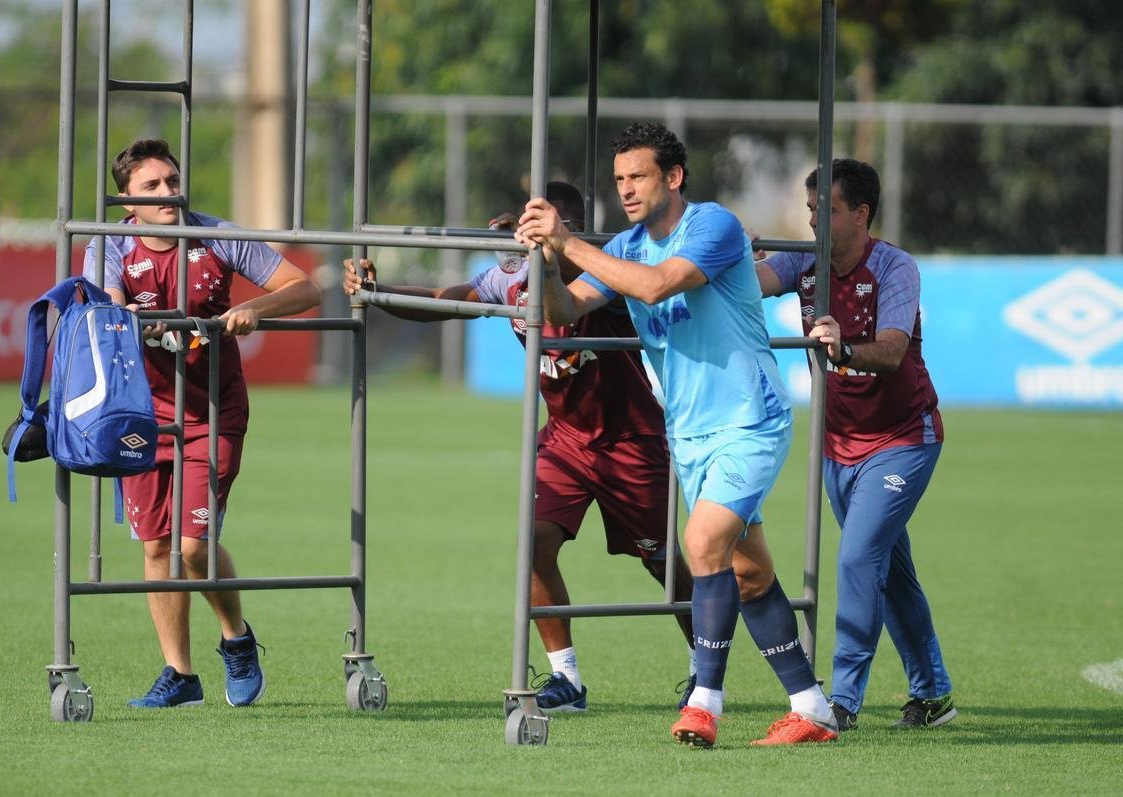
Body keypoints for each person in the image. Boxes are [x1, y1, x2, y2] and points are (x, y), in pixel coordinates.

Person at [515, 123, 838, 747]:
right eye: (619, 180)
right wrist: (550, 264)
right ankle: (811, 705)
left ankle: (704, 703)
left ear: (674, 177)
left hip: (751, 420)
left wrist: (568, 240)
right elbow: (562, 311)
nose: (627, 189)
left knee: (702, 541)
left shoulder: (713, 227)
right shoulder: (629, 245)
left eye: (638, 176)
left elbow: (656, 285)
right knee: (748, 573)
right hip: (688, 436)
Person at [343, 181, 697, 713]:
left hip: (631, 442)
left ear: (568, 227)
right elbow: (449, 302)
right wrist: (380, 291)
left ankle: (703, 668)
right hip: (565, 440)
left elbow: (576, 283)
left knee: (663, 564)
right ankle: (567, 680)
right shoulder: (509, 276)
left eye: (541, 222)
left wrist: (547, 249)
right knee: (532, 546)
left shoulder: (602, 270)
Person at [84, 138, 322, 709]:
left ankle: (236, 638)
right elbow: (103, 304)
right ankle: (180, 675)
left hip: (212, 414)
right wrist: (121, 314)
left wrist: (252, 311)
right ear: (127, 200)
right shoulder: (110, 245)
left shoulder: (217, 233)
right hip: (141, 413)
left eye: (172, 180)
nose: (169, 193)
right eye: (153, 186)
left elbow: (307, 287)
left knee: (193, 547)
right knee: (154, 544)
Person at [756, 158, 955, 730]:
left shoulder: (895, 267)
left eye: (828, 210)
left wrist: (843, 349)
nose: (814, 219)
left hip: (902, 440)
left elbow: (892, 351)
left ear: (861, 214)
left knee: (858, 557)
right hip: (838, 445)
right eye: (811, 208)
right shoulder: (803, 259)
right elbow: (752, 282)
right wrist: (729, 252)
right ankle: (934, 693)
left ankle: (840, 702)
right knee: (889, 571)